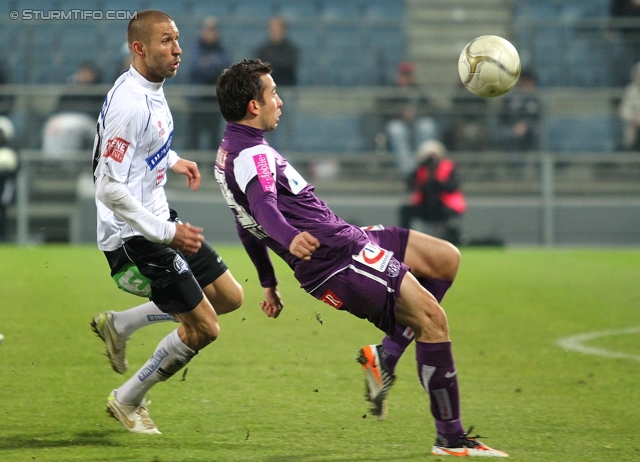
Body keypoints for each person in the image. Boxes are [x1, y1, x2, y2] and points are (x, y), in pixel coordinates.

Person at [214, 58, 508, 457]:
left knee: (445, 259)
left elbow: (244, 222)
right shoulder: (252, 157)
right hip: (338, 262)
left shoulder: (232, 152)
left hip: (346, 241)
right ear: (253, 105)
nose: (279, 102)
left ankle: (385, 357)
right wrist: (290, 237)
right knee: (432, 320)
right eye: (273, 95)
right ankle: (451, 438)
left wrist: (268, 281)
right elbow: (263, 211)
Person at [90, 10, 243, 435]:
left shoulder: (149, 87)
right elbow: (107, 187)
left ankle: (120, 325)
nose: (178, 49)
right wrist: (165, 232)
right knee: (204, 327)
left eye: (177, 39)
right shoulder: (129, 103)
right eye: (165, 41)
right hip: (134, 239)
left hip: (158, 220)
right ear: (139, 48)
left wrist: (172, 160)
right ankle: (127, 399)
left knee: (228, 297)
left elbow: (144, 144)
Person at [377, 61, 440, 175]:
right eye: (402, 75)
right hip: (401, 124)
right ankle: (409, 171)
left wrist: (416, 113)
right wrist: (400, 114)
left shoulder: (418, 90)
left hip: (416, 123)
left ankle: (422, 165)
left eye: (407, 75)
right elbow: (382, 109)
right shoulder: (392, 90)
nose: (404, 78)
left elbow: (432, 108)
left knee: (427, 126)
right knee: (395, 129)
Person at [399, 140, 466, 246]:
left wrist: (437, 181)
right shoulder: (421, 169)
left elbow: (453, 187)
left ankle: (451, 239)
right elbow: (410, 185)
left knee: (448, 216)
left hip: (443, 206)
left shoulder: (448, 167)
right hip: (425, 206)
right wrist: (420, 166)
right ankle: (403, 240)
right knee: (405, 210)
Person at [186, 17, 231, 150]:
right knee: (194, 137)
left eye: (213, 30)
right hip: (197, 101)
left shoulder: (221, 49)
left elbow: (225, 66)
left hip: (215, 101)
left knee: (214, 137)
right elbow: (195, 67)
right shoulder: (196, 48)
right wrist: (212, 66)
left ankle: (214, 168)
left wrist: (208, 63)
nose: (211, 33)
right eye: (208, 30)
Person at [495, 70, 541, 152]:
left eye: (529, 82)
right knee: (505, 134)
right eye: (525, 81)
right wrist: (514, 126)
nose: (527, 85)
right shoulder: (510, 98)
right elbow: (502, 116)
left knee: (534, 133)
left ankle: (528, 161)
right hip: (510, 127)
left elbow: (538, 118)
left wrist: (526, 125)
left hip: (530, 129)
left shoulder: (537, 100)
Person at [255, 17, 299, 86]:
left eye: (278, 30)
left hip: (287, 87)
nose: (275, 32)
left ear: (284, 30)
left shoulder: (292, 50)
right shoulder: (262, 51)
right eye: (273, 30)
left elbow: (288, 65)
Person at [620, 61, 640, 150]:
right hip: (633, 124)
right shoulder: (630, 90)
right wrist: (632, 118)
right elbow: (624, 110)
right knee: (630, 135)